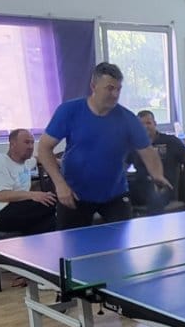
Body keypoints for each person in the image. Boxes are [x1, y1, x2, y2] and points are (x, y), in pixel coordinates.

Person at [36, 63, 168, 230]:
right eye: (110, 88)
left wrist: (157, 174)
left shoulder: (128, 119)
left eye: (118, 89)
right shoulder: (69, 111)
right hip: (74, 194)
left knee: (123, 244)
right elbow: (44, 148)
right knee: (71, 244)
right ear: (94, 86)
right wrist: (60, 184)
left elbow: (147, 151)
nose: (115, 94)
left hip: (115, 195)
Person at [0, 128, 56, 235]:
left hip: (17, 208)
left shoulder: (26, 162)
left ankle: (35, 241)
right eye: (26, 142)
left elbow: (39, 159)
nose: (30, 146)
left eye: (32, 143)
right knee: (52, 202)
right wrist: (33, 195)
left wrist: (60, 162)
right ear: (12, 144)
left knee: (50, 220)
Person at [130, 110, 185, 214]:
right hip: (141, 186)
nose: (145, 127)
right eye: (141, 124)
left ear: (155, 124)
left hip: (164, 188)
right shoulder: (134, 144)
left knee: (154, 198)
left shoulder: (170, 141)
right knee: (119, 198)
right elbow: (123, 165)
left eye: (148, 123)